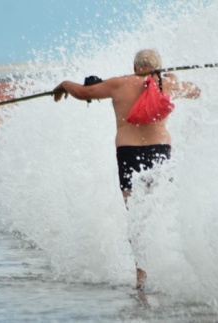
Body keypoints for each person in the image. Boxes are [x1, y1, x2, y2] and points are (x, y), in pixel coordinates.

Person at [53, 49, 200, 290]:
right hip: (160, 151)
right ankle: (175, 269)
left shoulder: (118, 84)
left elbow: (82, 92)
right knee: (159, 209)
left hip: (129, 153)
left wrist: (63, 84)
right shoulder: (167, 84)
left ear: (134, 67)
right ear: (158, 68)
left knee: (136, 215)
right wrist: (173, 78)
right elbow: (195, 92)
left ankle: (141, 276)